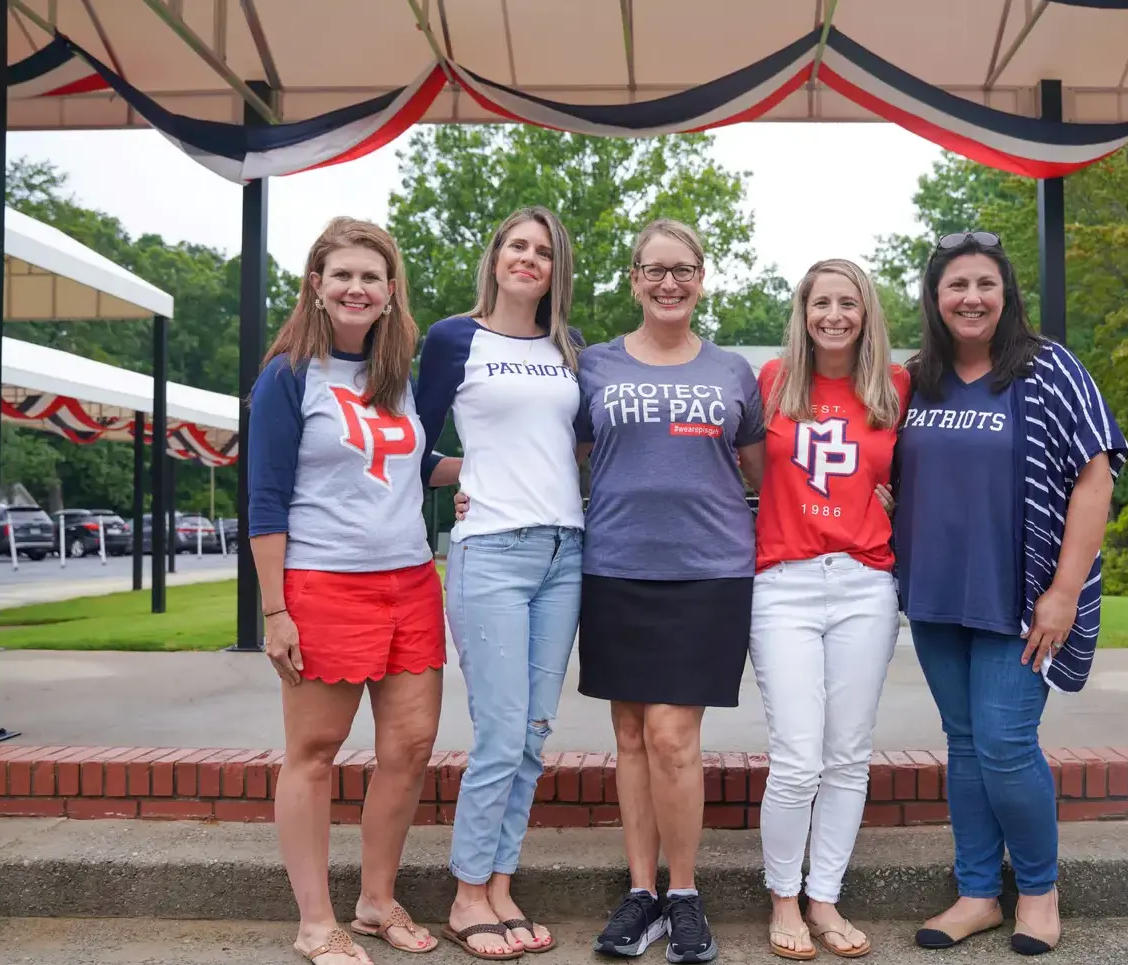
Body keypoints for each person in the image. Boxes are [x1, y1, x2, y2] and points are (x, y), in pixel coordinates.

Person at [892, 231, 1126, 956]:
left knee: (1003, 742)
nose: (971, 297)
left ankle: (1039, 891)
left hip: (1020, 597)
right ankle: (976, 894)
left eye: (984, 284)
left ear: (1006, 293)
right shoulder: (916, 379)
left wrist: (1063, 589)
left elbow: (1096, 478)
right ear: (935, 299)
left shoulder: (1049, 369)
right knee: (964, 745)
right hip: (936, 594)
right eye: (956, 285)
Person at [248, 216, 460, 965]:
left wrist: (479, 472)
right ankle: (315, 921)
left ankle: (375, 899)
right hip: (322, 581)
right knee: (314, 750)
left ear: (390, 290)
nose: (356, 287)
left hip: (408, 581)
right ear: (316, 284)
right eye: (342, 274)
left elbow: (410, 460)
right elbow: (266, 497)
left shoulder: (398, 375)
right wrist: (275, 609)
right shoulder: (287, 375)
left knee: (408, 746)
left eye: (371, 276)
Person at [577, 219, 764, 963]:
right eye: (654, 270)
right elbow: (574, 457)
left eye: (682, 270)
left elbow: (759, 474)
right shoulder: (592, 365)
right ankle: (640, 892)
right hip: (617, 566)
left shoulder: (731, 374)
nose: (668, 283)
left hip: (709, 572)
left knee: (670, 736)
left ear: (702, 278)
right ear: (633, 279)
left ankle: (683, 892)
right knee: (628, 735)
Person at [414, 207, 584, 960]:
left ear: (556, 269)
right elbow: (411, 446)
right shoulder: (455, 337)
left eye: (543, 251)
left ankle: (501, 882)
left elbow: (572, 449)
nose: (529, 259)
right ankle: (465, 893)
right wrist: (466, 475)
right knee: (500, 730)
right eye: (518, 245)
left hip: (565, 552)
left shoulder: (567, 347)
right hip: (490, 551)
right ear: (496, 257)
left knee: (534, 735)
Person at [749, 259, 910, 961]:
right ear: (804, 310)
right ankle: (783, 895)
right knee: (797, 757)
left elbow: (911, 474)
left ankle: (825, 896)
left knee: (847, 754)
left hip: (864, 583)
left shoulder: (894, 387)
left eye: (849, 302)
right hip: (783, 580)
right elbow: (750, 467)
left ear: (866, 311)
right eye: (823, 302)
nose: (835, 314)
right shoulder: (774, 381)